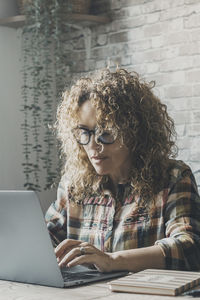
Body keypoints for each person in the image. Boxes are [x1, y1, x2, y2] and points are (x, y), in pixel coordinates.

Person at [45, 68, 200, 273]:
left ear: (136, 132)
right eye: (84, 132)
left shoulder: (172, 178)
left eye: (106, 132)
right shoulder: (73, 184)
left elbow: (189, 248)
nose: (92, 145)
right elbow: (43, 239)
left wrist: (112, 260)